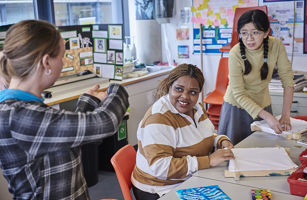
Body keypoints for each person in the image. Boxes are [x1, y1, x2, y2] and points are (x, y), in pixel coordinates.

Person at [0, 20, 129, 199]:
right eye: (61, 57)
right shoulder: (19, 116)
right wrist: (117, 89)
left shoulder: (25, 108)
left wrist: (89, 100)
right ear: (46, 62)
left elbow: (64, 133)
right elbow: (106, 123)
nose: (62, 63)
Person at [131, 64, 234, 200]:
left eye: (193, 92)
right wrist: (208, 160)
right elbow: (161, 167)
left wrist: (220, 140)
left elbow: (202, 135)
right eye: (178, 89)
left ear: (199, 93)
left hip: (188, 178)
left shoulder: (196, 108)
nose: (185, 97)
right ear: (170, 87)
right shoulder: (159, 118)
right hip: (160, 189)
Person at [218, 9, 294, 145]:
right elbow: (239, 94)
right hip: (236, 108)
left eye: (255, 32)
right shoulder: (235, 53)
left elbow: (287, 79)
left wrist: (285, 115)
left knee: (263, 149)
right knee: (235, 153)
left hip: (263, 104)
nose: (249, 38)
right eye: (244, 33)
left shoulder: (276, 45)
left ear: (266, 33)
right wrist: (268, 117)